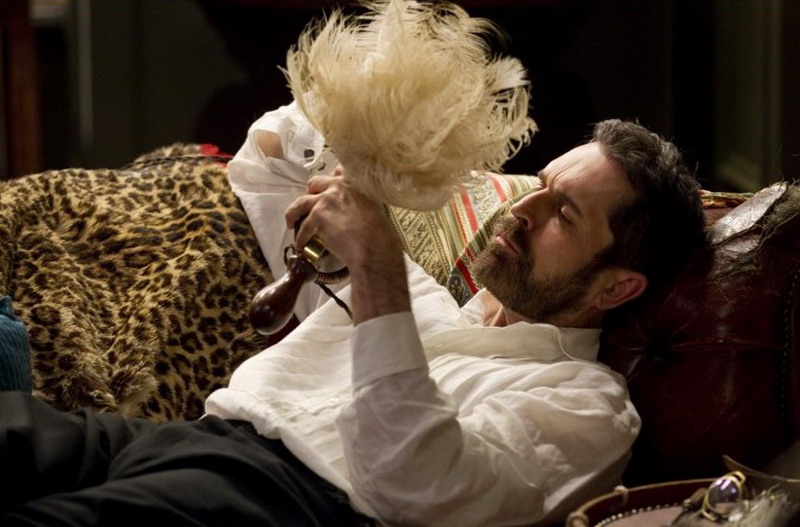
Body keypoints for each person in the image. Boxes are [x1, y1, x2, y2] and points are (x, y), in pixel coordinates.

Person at [0, 102, 706, 527]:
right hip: (187, 439)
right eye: (540, 185)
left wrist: (376, 270)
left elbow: (421, 490)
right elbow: (267, 165)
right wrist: (368, 139)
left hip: (287, 502)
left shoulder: (587, 406)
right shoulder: (418, 299)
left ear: (616, 288)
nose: (522, 209)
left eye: (564, 214)